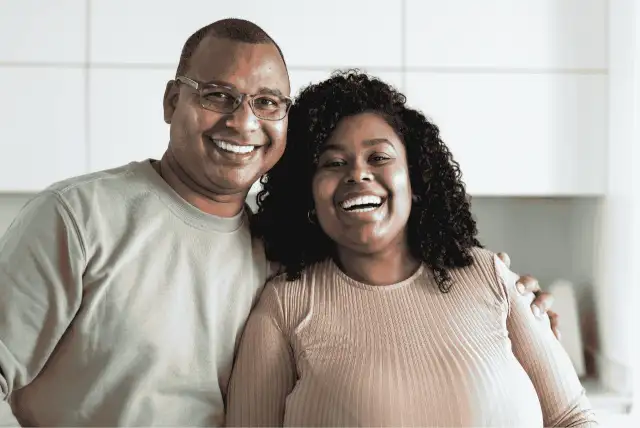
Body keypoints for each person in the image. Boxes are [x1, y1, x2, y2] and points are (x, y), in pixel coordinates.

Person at [0, 19, 557, 427]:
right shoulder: (79, 217)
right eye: (218, 96)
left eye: (267, 102)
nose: (243, 122)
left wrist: (513, 308)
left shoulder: (281, 253)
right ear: (172, 102)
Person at [225, 70, 597, 427]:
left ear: (415, 178)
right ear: (308, 193)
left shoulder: (491, 277)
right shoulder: (285, 307)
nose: (358, 174)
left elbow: (572, 417)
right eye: (333, 162)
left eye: (378, 157)